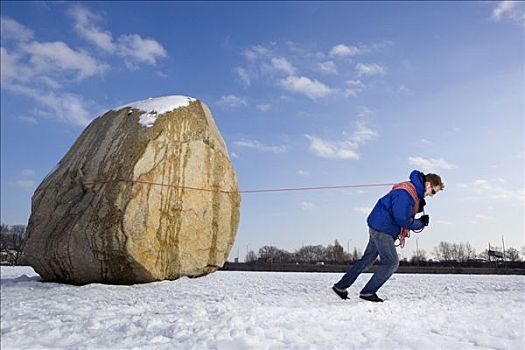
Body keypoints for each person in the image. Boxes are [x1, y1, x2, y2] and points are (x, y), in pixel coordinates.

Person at [332, 170, 444, 302]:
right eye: (433, 192)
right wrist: (420, 223)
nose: (431, 196)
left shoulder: (411, 192)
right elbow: (402, 219)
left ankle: (340, 287)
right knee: (391, 262)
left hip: (379, 225)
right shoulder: (406, 193)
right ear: (428, 185)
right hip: (383, 228)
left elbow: (399, 209)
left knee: (367, 260)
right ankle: (368, 292)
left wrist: (417, 206)